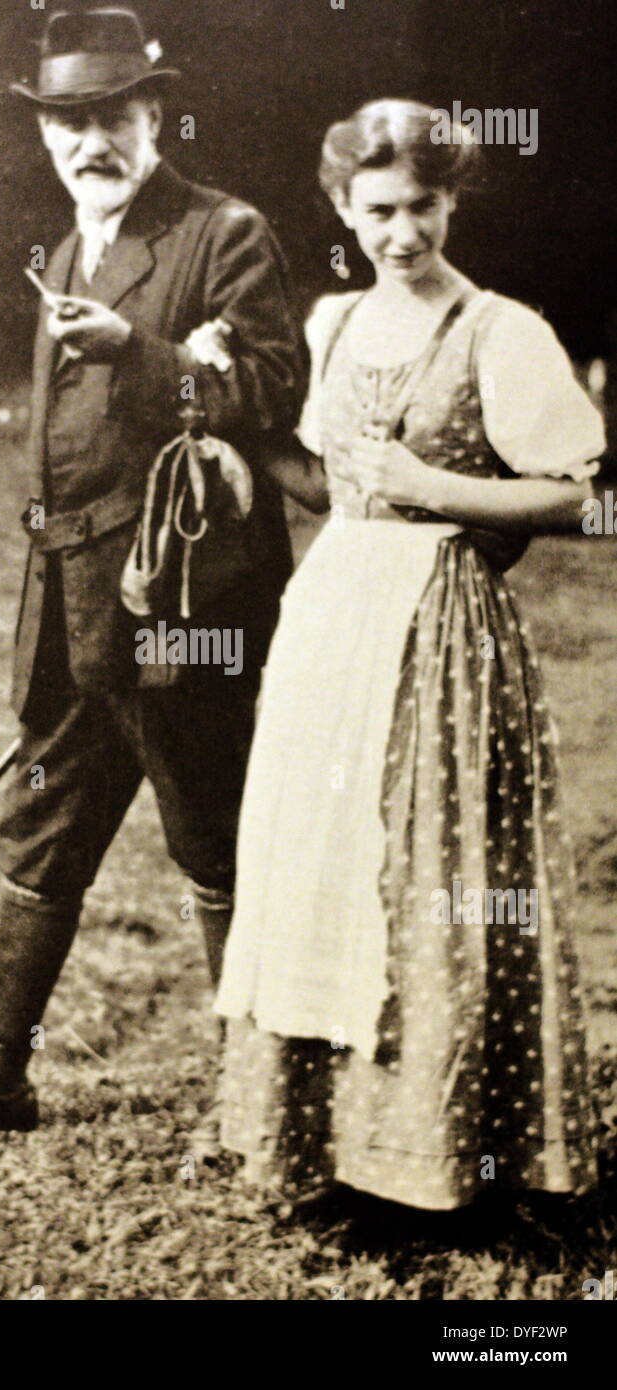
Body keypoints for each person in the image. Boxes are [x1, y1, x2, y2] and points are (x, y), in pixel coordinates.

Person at [0, 8, 308, 1165]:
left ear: (155, 115)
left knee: (209, 834)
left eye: (112, 116)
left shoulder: (223, 233)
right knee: (44, 826)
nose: (89, 140)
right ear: (46, 134)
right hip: (66, 605)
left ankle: (255, 1103)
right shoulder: (66, 249)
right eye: (67, 121)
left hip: (182, 606)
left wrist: (143, 356)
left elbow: (271, 389)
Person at [214, 99, 606, 1209]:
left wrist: (433, 489)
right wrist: (223, 426)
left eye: (422, 208)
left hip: (441, 626)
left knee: (427, 870)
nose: (402, 234)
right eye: (377, 210)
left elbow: (577, 499)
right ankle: (318, 1147)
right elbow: (330, 486)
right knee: (317, 863)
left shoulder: (501, 330)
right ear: (341, 207)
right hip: (332, 614)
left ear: (449, 202)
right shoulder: (331, 323)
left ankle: (439, 1155)